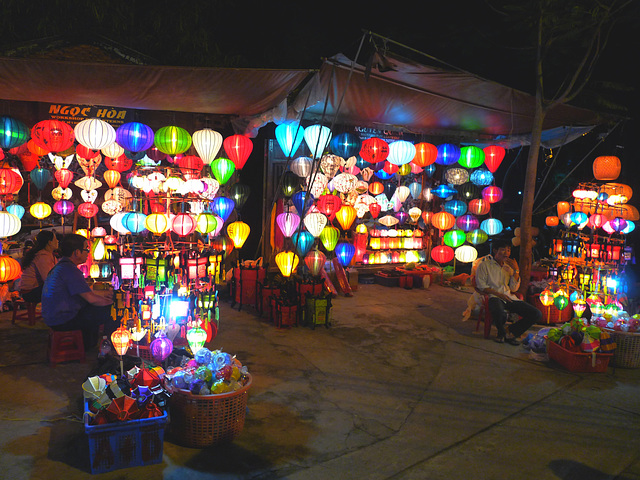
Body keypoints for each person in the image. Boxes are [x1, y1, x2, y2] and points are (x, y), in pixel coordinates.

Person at [42, 234, 117, 350]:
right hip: (62, 319)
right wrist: (112, 303)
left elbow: (86, 292)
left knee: (95, 308)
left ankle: (89, 343)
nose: (88, 253)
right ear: (76, 252)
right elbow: (91, 298)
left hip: (52, 316)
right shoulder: (69, 270)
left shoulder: (62, 266)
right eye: (86, 249)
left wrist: (103, 296)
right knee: (110, 313)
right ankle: (106, 348)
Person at [474, 238, 542, 344]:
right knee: (499, 311)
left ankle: (511, 331)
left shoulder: (508, 268)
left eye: (509, 250)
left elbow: (514, 288)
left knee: (536, 314)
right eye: (503, 250)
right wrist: (499, 295)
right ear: (495, 250)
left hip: (508, 297)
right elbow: (481, 286)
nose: (507, 253)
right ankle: (502, 334)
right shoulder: (485, 265)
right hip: (493, 296)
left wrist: (516, 271)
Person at [19, 231, 58, 304]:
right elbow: (48, 279)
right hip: (30, 292)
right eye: (55, 239)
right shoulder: (42, 257)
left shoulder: (49, 255)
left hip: (37, 288)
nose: (57, 241)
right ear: (49, 242)